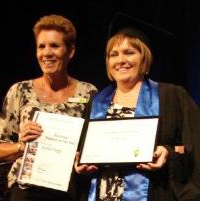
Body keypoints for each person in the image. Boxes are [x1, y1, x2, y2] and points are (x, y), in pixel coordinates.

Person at [75, 12, 200, 201]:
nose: (120, 60)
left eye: (129, 52)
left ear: (144, 58)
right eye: (113, 55)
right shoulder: (96, 102)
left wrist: (169, 152)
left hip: (154, 192)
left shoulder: (172, 96)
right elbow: (84, 152)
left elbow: (193, 145)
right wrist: (78, 164)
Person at [0, 14, 97, 201]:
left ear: (70, 51)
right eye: (41, 46)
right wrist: (22, 145)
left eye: (55, 46)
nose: (46, 53)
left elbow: (95, 146)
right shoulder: (20, 91)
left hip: (71, 190)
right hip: (26, 191)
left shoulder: (88, 93)